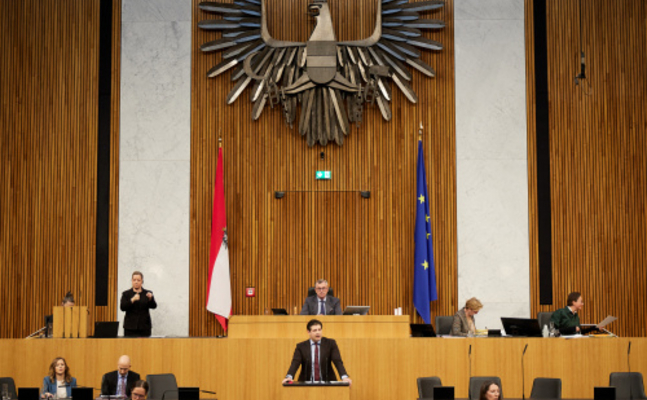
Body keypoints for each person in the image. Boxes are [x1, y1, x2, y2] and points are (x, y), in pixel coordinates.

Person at [282, 319, 351, 385]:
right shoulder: (301, 346)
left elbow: (337, 361)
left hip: (327, 382)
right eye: (314, 330)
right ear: (308, 332)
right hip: (306, 383)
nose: (318, 332)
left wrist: (344, 377)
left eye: (319, 330)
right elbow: (295, 362)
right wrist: (289, 377)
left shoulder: (330, 343)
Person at [120, 271, 157, 337]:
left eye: (138, 280)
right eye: (134, 280)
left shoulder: (147, 293)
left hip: (144, 327)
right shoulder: (126, 294)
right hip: (130, 327)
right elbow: (122, 307)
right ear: (131, 281)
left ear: (142, 281)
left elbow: (154, 306)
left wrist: (151, 298)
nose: (136, 282)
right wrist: (132, 300)